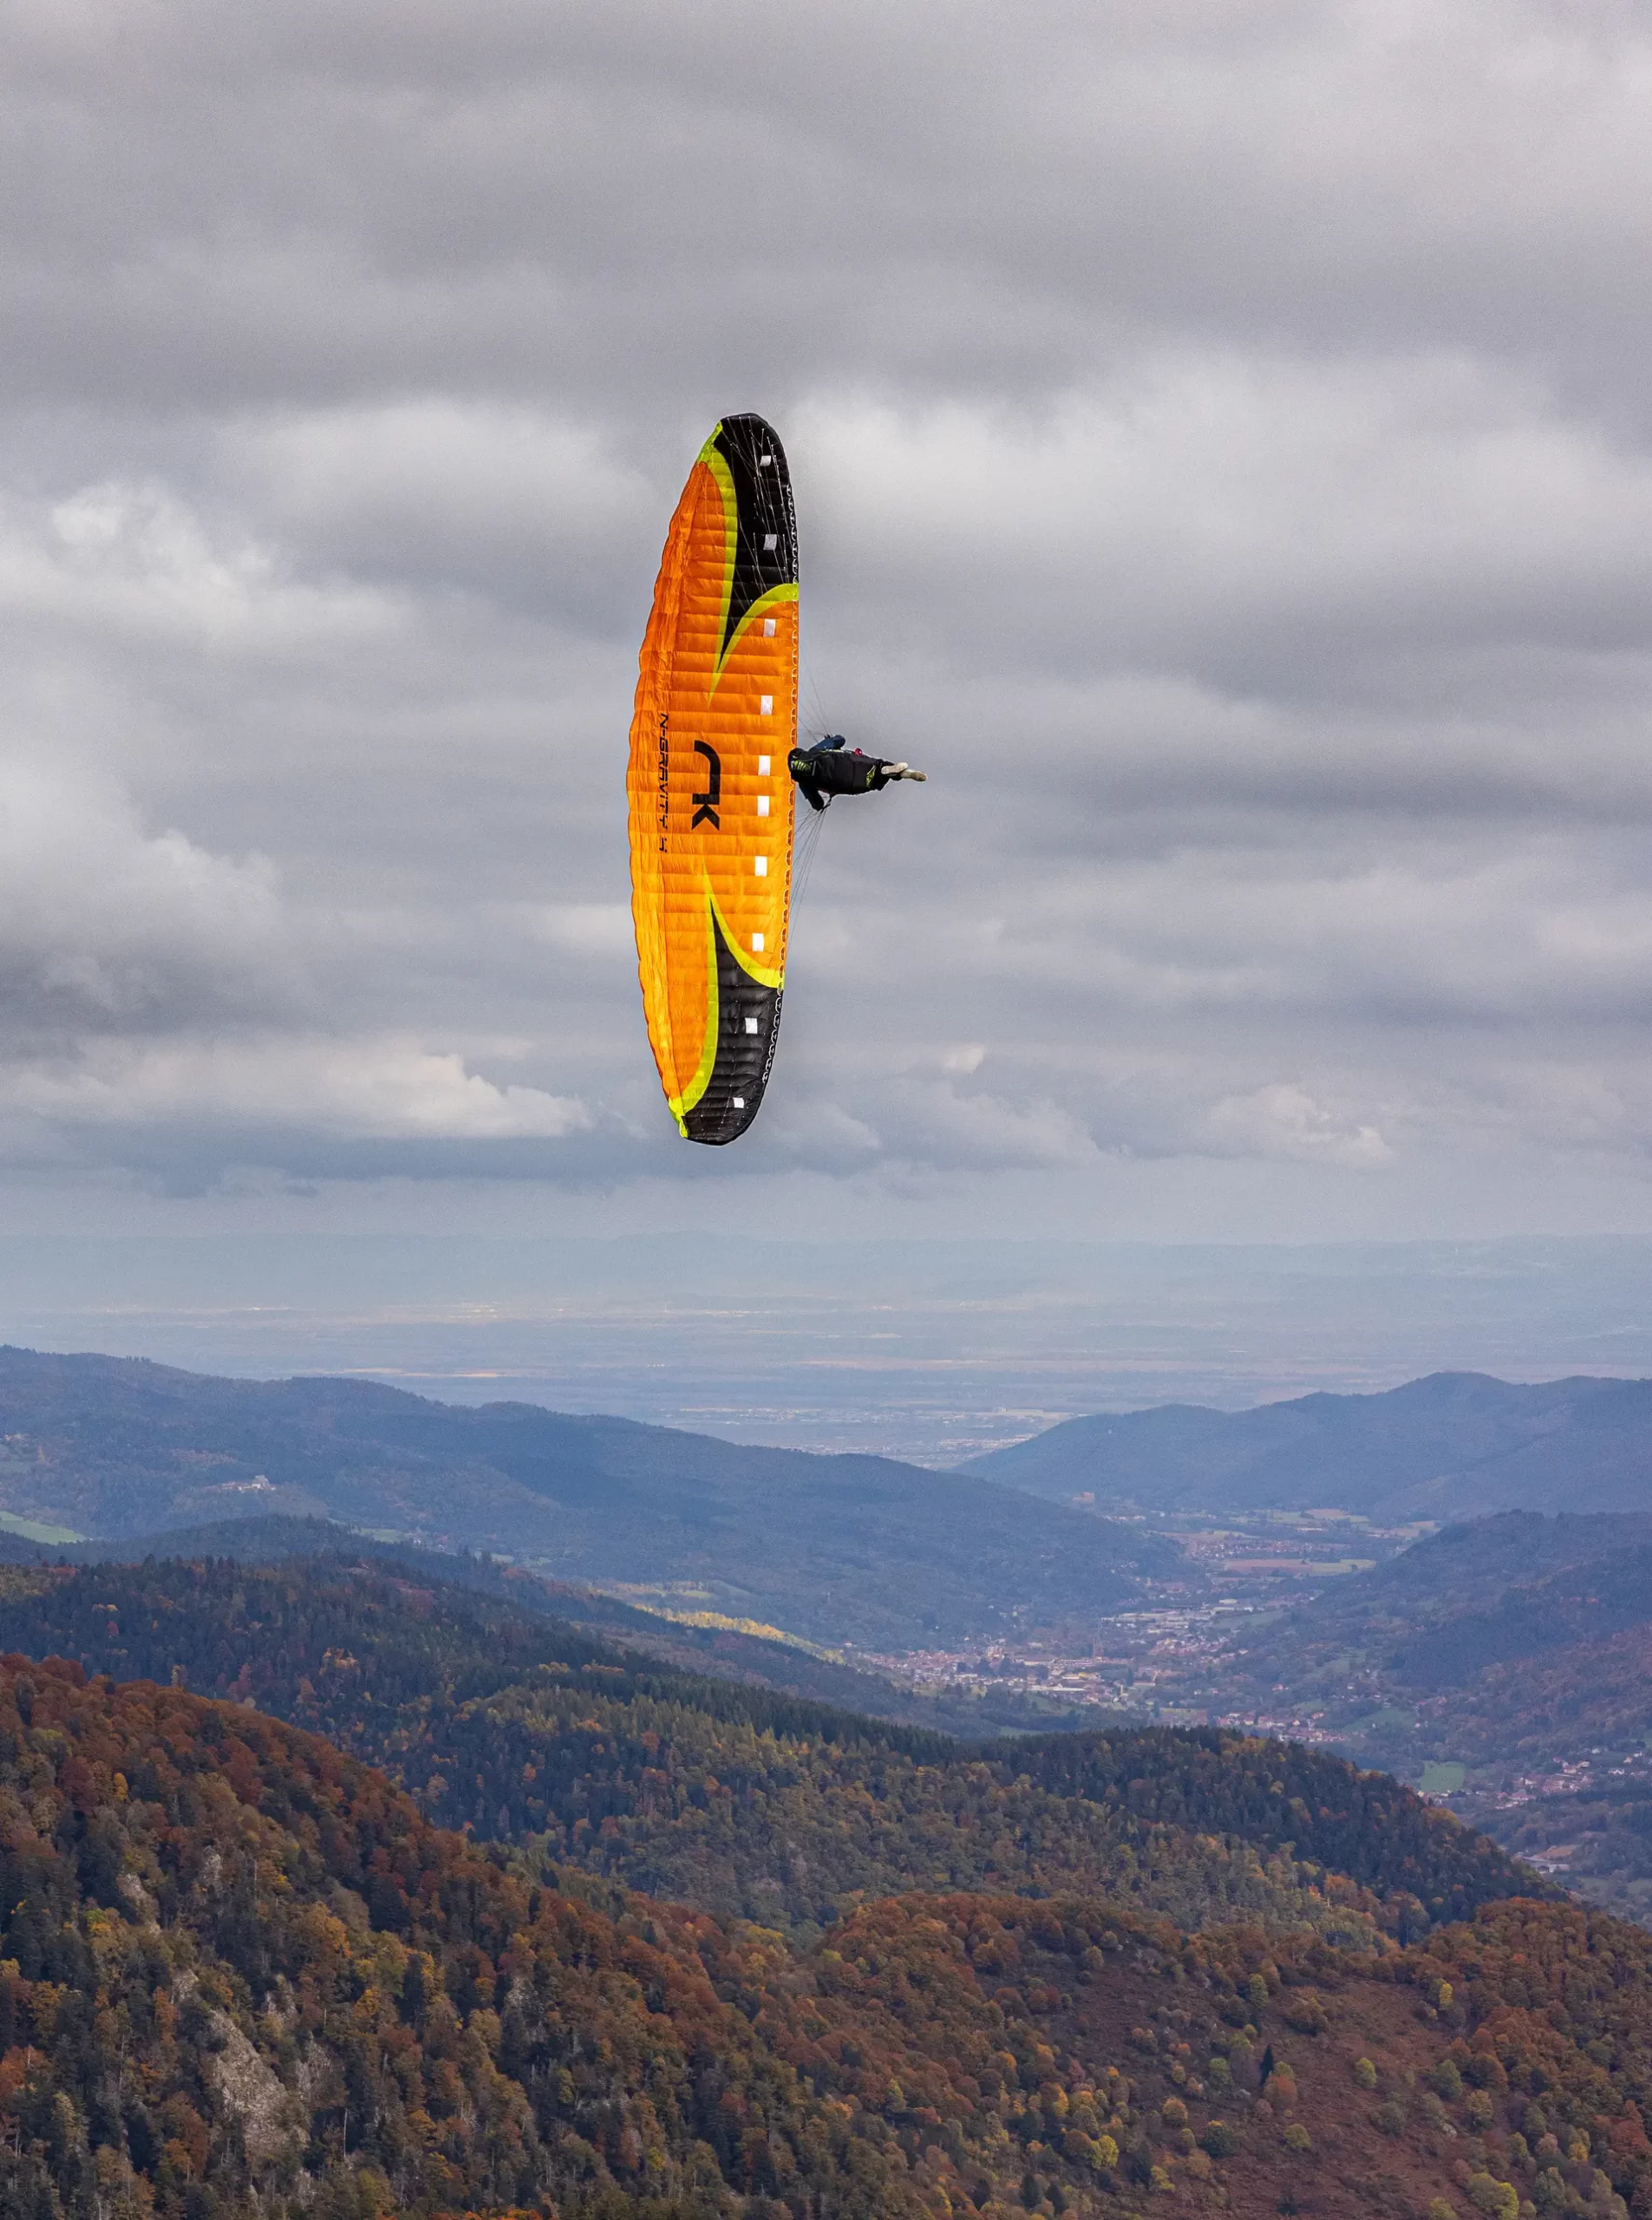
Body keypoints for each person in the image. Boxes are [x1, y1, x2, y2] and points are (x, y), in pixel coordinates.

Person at [787, 734, 927, 813]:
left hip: (849, 784)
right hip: (850, 763)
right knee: (879, 767)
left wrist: (821, 806)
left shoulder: (804, 784)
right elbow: (840, 740)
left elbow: (817, 804)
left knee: (872, 782)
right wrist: (831, 738)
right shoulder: (815, 750)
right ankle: (904, 773)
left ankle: (893, 774)